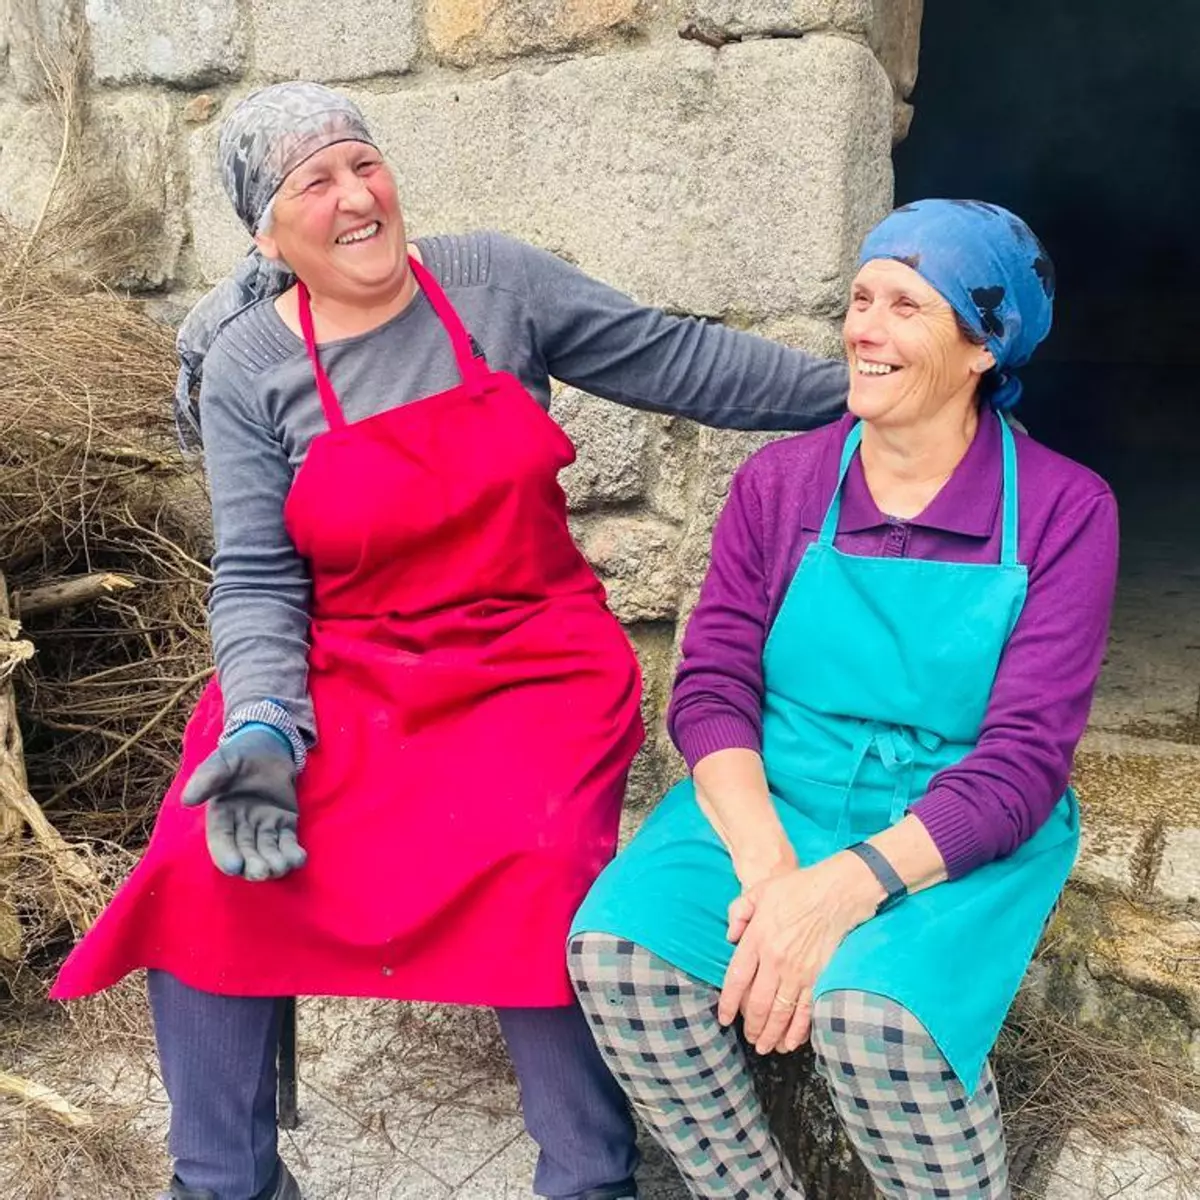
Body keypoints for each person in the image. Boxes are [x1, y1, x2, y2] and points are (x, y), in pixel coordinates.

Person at [49, 83, 851, 1200]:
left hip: (534, 664)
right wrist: (266, 727)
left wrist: (868, 393)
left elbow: (677, 359)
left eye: (363, 163)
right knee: (201, 864)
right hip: (346, 668)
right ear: (266, 236)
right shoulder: (248, 364)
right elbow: (259, 575)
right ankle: (225, 1181)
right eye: (314, 183)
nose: (354, 196)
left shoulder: (492, 284)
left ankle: (590, 1178)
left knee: (537, 869)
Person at [569, 199, 1119, 1199]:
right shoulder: (780, 484)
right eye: (862, 299)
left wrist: (837, 895)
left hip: (951, 823)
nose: (865, 328)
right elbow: (713, 687)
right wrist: (769, 870)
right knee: (618, 956)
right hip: (780, 792)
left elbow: (1022, 764)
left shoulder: (1063, 508)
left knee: (879, 1025)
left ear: (982, 348)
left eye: (907, 306)